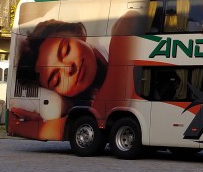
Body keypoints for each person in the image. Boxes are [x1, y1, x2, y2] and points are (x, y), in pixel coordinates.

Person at [9, 10, 146, 140]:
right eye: (57, 79)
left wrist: (42, 127)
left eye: (66, 50)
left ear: (78, 32)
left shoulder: (122, 30)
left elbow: (132, 18)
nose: (69, 68)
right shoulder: (81, 108)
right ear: (58, 94)